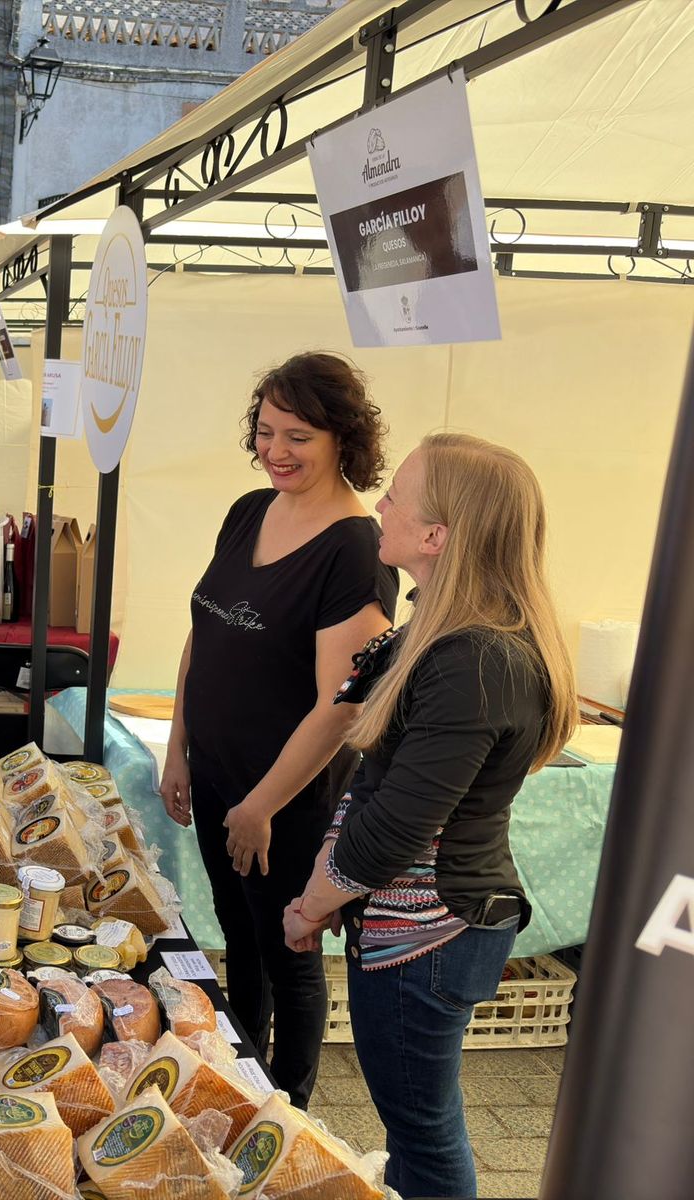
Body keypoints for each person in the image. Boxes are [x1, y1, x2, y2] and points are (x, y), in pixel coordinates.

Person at [283, 434, 576, 1199]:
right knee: (414, 1127)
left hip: (430, 934)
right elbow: (378, 784)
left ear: (437, 535)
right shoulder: (443, 633)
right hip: (414, 928)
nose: (380, 504)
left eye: (397, 496)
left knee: (423, 1130)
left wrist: (312, 903)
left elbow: (396, 827)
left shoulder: (477, 659)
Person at [159, 352, 397, 1108]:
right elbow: (203, 635)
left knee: (288, 952)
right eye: (265, 432)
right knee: (240, 936)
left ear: (343, 439)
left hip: (286, 799)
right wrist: (178, 749)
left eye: (299, 436)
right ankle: (243, 1084)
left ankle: (287, 1113)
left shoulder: (355, 548)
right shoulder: (248, 511)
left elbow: (343, 706)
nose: (276, 451)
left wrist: (261, 805)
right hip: (217, 776)